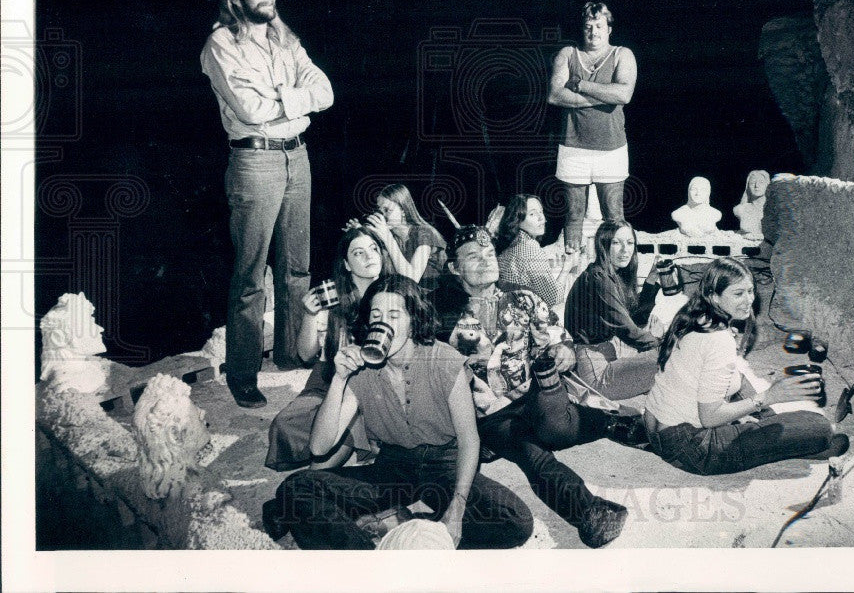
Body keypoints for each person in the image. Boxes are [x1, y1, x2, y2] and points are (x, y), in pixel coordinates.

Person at [264, 275, 533, 550]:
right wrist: (339, 379)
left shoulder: (444, 360)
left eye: (395, 314)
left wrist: (457, 510)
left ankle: (407, 523)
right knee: (296, 487)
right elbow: (320, 448)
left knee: (515, 522)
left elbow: (468, 440)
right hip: (393, 468)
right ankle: (368, 560)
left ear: (413, 320)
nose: (384, 323)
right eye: (376, 315)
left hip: (444, 465)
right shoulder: (361, 368)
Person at [431, 225, 637, 549]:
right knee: (531, 454)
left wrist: (563, 351)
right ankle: (590, 514)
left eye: (489, 253)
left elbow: (557, 339)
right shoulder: (442, 319)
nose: (486, 260)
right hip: (490, 414)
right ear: (455, 269)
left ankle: (620, 422)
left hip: (537, 394)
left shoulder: (523, 299)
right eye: (473, 256)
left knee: (558, 429)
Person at [201, 0, 333, 408]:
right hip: (254, 161)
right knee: (251, 275)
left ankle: (294, 358)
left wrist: (283, 101)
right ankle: (243, 374)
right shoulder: (221, 44)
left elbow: (327, 91)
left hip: (299, 155)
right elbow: (250, 109)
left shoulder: (285, 39)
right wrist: (297, 102)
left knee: (298, 268)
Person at [644, 258, 847, 475]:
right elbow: (709, 418)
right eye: (738, 293)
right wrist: (767, 397)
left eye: (751, 291)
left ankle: (770, 424)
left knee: (738, 378)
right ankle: (783, 438)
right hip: (693, 449)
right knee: (819, 427)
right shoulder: (718, 341)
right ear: (714, 296)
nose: (749, 299)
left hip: (654, 428)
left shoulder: (694, 316)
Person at [265, 225, 389, 472]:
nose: (369, 256)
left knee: (331, 449)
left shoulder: (392, 294)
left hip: (374, 388)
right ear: (346, 264)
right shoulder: (333, 297)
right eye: (358, 253)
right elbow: (306, 355)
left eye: (374, 249)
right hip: (331, 382)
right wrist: (310, 316)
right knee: (284, 426)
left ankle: (355, 438)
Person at [547, 1, 637, 254]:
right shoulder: (568, 54)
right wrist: (606, 95)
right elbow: (554, 95)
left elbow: (624, 95)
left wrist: (581, 85)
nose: (593, 31)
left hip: (612, 148)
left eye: (599, 26)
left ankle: (615, 272)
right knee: (574, 215)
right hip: (573, 147)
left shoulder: (622, 54)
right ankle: (572, 270)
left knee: (614, 217)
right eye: (588, 26)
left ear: (609, 28)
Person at [564, 220, 664, 400]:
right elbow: (627, 329)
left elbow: (635, 318)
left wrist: (651, 280)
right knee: (666, 366)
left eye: (630, 242)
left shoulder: (612, 275)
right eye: (617, 243)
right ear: (604, 244)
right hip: (596, 374)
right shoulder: (597, 277)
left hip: (609, 356)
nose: (625, 249)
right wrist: (662, 344)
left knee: (669, 367)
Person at [356, 183, 447, 291]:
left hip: (433, 295)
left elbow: (412, 278)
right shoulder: (391, 239)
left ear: (403, 210)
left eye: (387, 210)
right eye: (379, 210)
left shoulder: (424, 232)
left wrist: (387, 238)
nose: (382, 215)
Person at [495, 194, 578, 308]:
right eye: (532, 214)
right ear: (517, 220)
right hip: (528, 319)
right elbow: (554, 298)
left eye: (541, 212)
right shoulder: (530, 248)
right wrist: (566, 268)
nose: (542, 218)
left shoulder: (509, 248)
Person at [733, 170, 770, 240]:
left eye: (761, 182)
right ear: (748, 187)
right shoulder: (740, 209)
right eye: (752, 183)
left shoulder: (773, 209)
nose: (757, 186)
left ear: (767, 185)